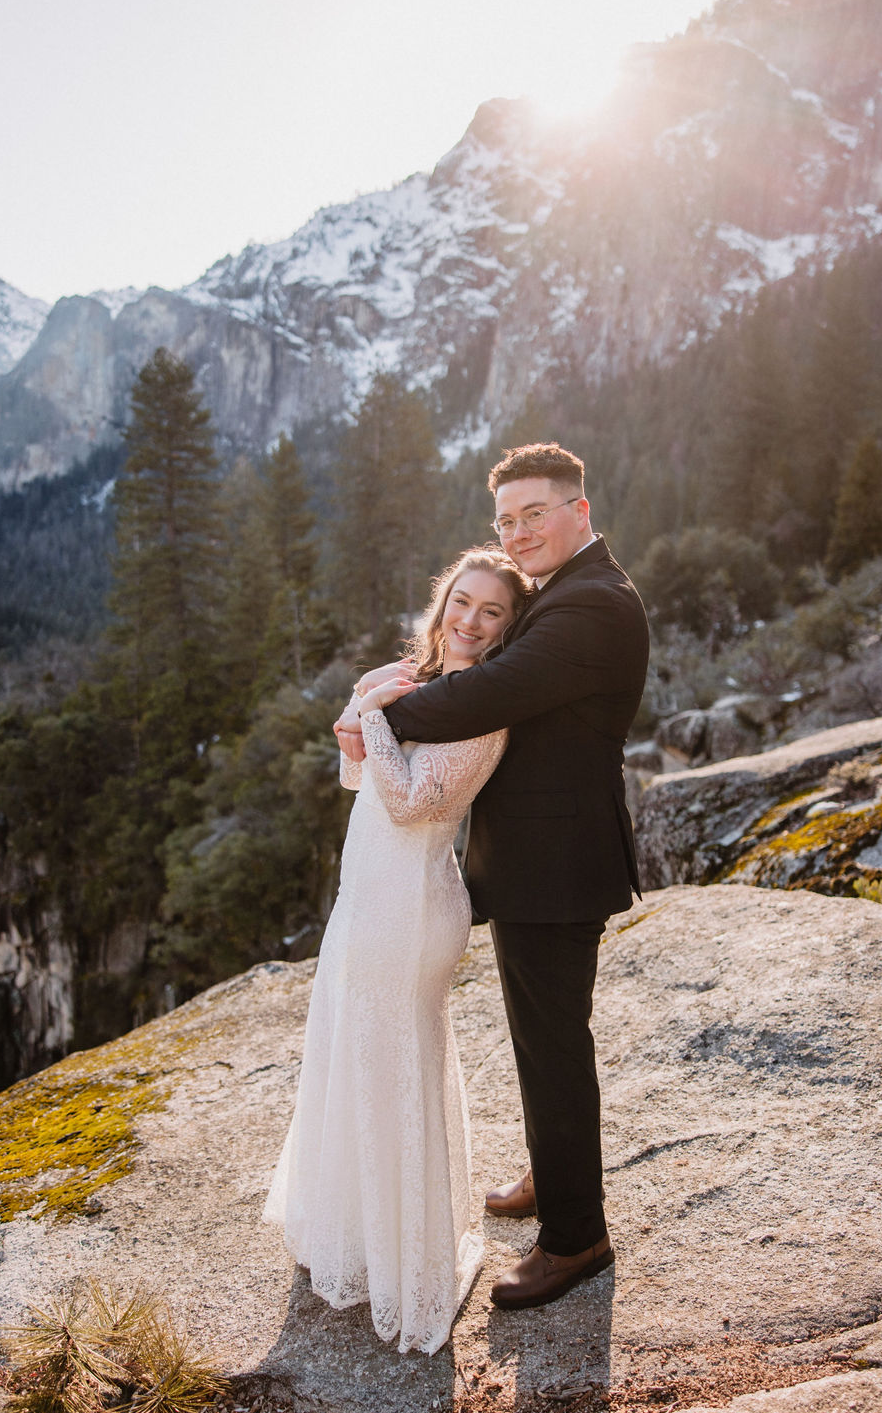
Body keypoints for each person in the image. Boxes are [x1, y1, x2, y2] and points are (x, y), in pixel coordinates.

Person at [335, 443, 649, 1312]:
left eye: (534, 513)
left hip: (560, 865)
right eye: (506, 519)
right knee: (539, 1037)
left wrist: (377, 711)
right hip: (534, 862)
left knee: (553, 1044)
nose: (518, 531)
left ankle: (574, 1236)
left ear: (579, 510)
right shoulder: (567, 593)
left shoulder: (593, 605)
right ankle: (555, 1176)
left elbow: (484, 695)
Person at [264, 546, 530, 1355]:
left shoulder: (484, 706)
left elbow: (415, 802)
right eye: (464, 601)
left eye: (493, 612)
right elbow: (359, 783)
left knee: (396, 1065)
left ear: (509, 629)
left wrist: (372, 716)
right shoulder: (408, 674)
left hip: (412, 906)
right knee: (352, 1053)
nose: (472, 620)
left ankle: (409, 1265)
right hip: (365, 896)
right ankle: (356, 1236)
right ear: (443, 599)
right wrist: (358, 729)